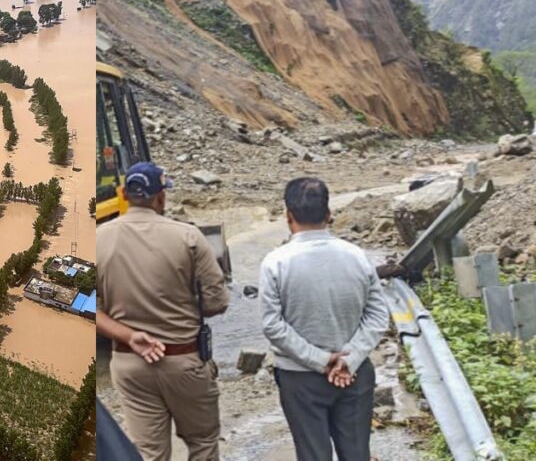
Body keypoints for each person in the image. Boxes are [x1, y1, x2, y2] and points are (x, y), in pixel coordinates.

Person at [96, 161, 230, 461]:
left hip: (130, 365)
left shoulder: (98, 239)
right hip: (185, 361)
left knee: (148, 453)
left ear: (124, 194)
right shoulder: (189, 237)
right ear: (161, 197)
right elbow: (217, 302)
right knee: (203, 444)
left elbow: (78, 302)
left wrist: (128, 335)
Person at [259, 177, 389, 461]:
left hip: (299, 378)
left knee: (312, 455)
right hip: (354, 375)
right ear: (329, 214)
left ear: (288, 216)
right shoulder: (357, 256)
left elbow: (272, 325)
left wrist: (320, 359)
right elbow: (378, 314)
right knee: (356, 453)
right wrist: (350, 358)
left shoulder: (276, 262)